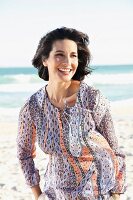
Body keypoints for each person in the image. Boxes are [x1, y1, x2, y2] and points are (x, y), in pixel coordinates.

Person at [17, 27, 126, 200]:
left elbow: (115, 150)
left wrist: (116, 195)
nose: (68, 62)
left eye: (73, 55)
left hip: (98, 192)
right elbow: (24, 154)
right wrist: (38, 195)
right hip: (55, 193)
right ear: (45, 59)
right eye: (59, 54)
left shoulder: (93, 99)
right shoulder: (33, 108)